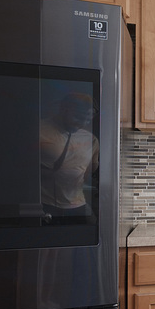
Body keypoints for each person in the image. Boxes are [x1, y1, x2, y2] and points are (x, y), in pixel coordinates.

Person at [39, 91, 98, 220]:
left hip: (78, 205)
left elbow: (88, 172)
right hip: (44, 205)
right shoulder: (38, 129)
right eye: (78, 117)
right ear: (63, 110)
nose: (82, 124)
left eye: (87, 119)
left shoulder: (91, 139)